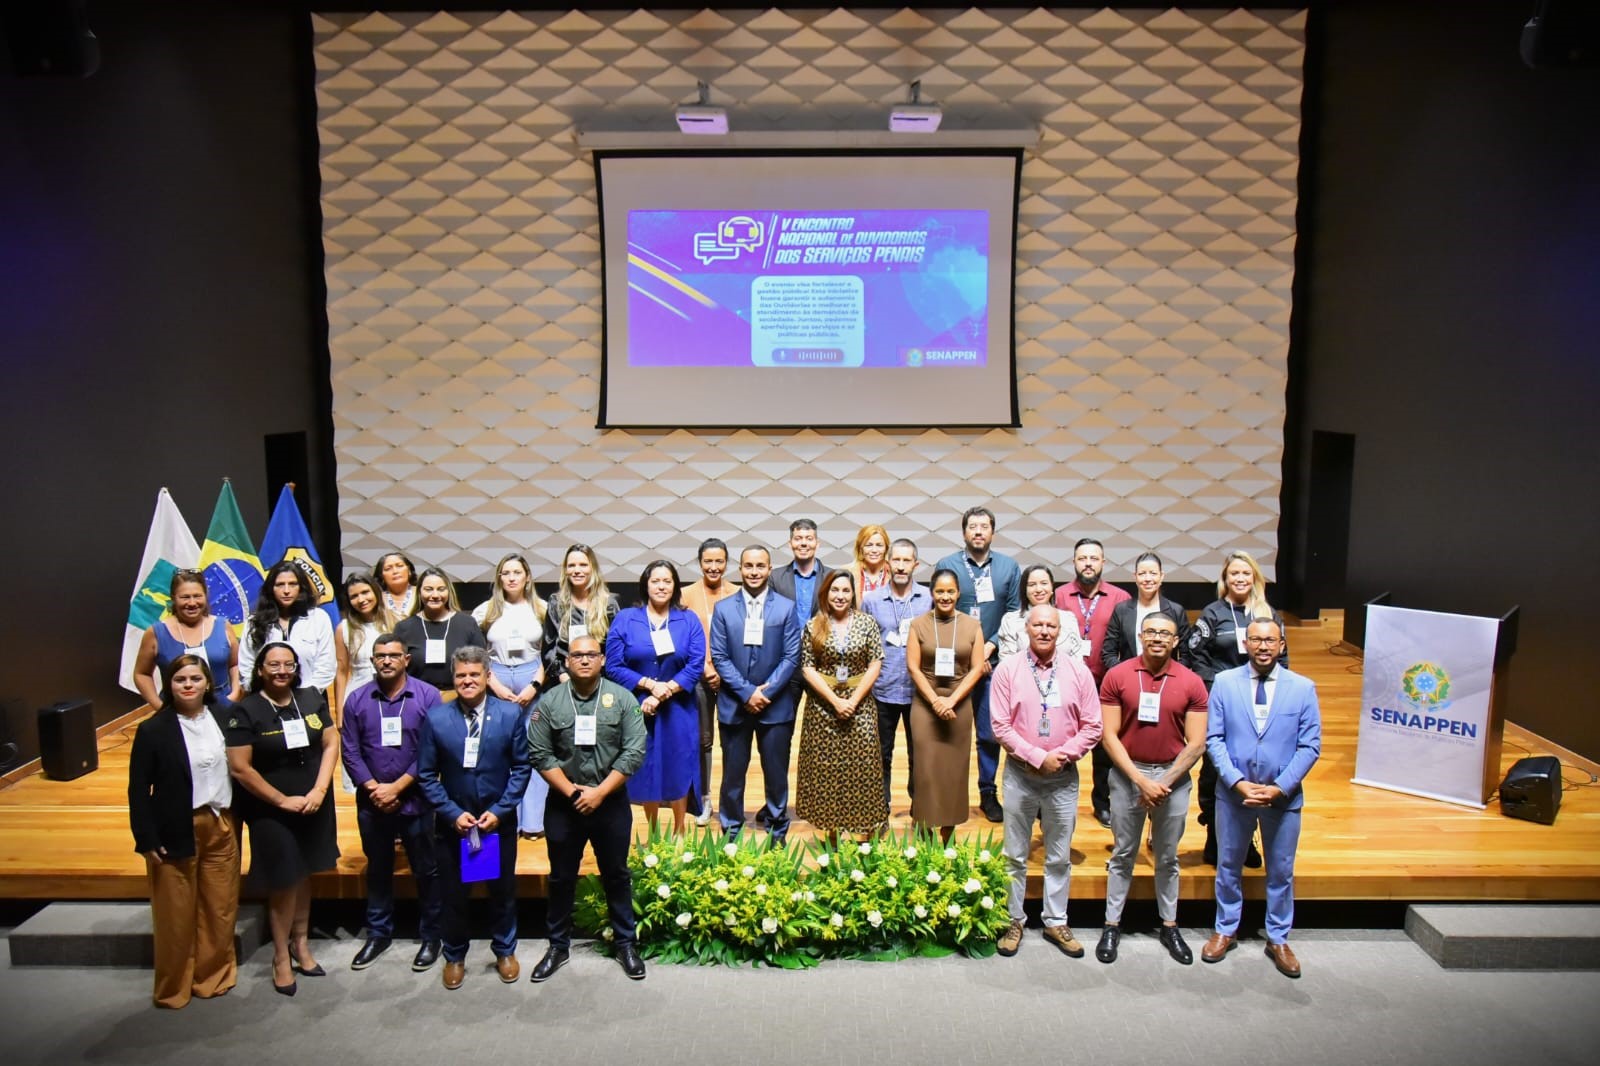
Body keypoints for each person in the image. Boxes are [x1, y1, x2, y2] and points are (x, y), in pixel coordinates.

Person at [1201, 618, 1321, 979]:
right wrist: (1237, 782)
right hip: (1234, 794)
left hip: (1281, 798)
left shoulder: (1303, 688)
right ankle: (1225, 929)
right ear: (1246, 644)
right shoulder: (1224, 683)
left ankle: (1278, 937)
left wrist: (1280, 786)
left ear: (1281, 645)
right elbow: (1214, 739)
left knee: (1281, 872)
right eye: (1257, 640)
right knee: (1228, 865)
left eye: (1271, 641)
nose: (1264, 646)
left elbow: (1310, 745)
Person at [528, 634, 648, 983]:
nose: (583, 660)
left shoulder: (623, 700)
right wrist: (573, 793)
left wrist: (598, 793)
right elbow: (540, 753)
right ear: (566, 662)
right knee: (561, 877)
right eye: (577, 655)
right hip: (564, 804)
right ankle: (557, 946)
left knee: (617, 874)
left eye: (590, 654)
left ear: (602, 660)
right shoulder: (551, 702)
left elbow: (634, 751)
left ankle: (626, 944)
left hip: (609, 802)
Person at [225, 642, 340, 997]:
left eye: (288, 664)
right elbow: (240, 767)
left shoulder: (310, 698)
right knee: (284, 879)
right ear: (260, 668)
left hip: (312, 802)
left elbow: (330, 742)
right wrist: (281, 801)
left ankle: (301, 943)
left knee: (304, 873)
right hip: (270, 809)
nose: (281, 670)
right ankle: (279, 956)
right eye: (273, 665)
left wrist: (319, 791)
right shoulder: (246, 710)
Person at [1095, 613, 1208, 966]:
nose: (1158, 638)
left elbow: (1197, 743)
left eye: (1166, 633)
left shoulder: (1191, 682)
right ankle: (1112, 924)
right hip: (1129, 776)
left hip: (1172, 780)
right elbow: (1108, 736)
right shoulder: (1118, 676)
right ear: (1141, 636)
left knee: (1168, 856)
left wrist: (1164, 782)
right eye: (1152, 632)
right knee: (1123, 853)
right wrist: (1141, 781)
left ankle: (1169, 924)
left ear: (1176, 641)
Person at [990, 605, 1101, 959]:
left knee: (1058, 856)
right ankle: (1013, 919)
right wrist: (1038, 757)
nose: (1044, 631)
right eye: (1037, 624)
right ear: (1026, 628)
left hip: (1063, 778)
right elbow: (1000, 726)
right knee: (1014, 854)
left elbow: (1093, 726)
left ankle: (1055, 920)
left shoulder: (1078, 672)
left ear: (1060, 630)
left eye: (1050, 626)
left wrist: (1061, 756)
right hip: (1020, 776)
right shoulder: (1007, 670)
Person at [127, 655, 238, 1008]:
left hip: (220, 822)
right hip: (175, 828)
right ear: (168, 685)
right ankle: (175, 987)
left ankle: (212, 977)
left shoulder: (224, 718)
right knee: (174, 915)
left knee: (219, 908)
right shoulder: (153, 729)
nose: (188, 685)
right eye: (179, 679)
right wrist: (146, 837)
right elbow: (137, 788)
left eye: (195, 678)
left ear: (208, 682)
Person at [417, 646, 530, 990]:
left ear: (486, 677)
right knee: (454, 894)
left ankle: (505, 950)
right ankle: (454, 955)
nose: (467, 681)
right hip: (455, 826)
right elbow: (425, 775)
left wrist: (500, 811)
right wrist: (452, 814)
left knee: (501, 891)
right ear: (453, 679)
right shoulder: (437, 718)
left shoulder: (510, 715)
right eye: (461, 675)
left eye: (474, 675)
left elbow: (522, 767)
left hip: (496, 824)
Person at [339, 633, 443, 973]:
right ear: (372, 660)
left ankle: (431, 936)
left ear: (406, 659)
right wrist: (373, 788)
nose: (386, 660)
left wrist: (397, 787)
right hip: (372, 803)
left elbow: (433, 749)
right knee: (379, 870)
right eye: (380, 655)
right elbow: (350, 750)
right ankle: (379, 934)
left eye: (393, 655)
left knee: (426, 870)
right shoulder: (356, 699)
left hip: (416, 799)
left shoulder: (427, 696)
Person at [1184, 550, 1286, 866]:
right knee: (1216, 767)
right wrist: (1217, 687)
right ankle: (1214, 836)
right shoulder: (1213, 614)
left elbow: (1283, 660)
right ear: (1225, 580)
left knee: (1255, 766)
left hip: (1259, 705)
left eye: (1245, 574)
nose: (1240, 579)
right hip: (1222, 702)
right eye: (1234, 574)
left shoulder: (1269, 614)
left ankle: (1248, 840)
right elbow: (1192, 656)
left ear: (1254, 577)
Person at [709, 545, 803, 844]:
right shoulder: (724, 609)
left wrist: (767, 691)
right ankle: (731, 831)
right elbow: (720, 657)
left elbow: (791, 656)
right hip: (734, 706)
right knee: (732, 777)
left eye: (760, 566)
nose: (753, 572)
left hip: (775, 707)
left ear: (769, 568)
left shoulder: (786, 608)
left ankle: (777, 830)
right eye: (748, 566)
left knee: (776, 775)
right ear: (740, 568)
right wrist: (748, 692)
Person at [604, 560, 704, 834]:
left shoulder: (688, 619)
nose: (661, 586)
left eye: (667, 581)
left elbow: (695, 664)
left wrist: (664, 691)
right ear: (645, 585)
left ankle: (680, 829)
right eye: (655, 581)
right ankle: (653, 830)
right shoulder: (626, 618)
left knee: (679, 762)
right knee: (646, 764)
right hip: (637, 705)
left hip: (679, 706)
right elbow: (613, 665)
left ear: (675, 586)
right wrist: (648, 684)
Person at [935, 507, 1019, 822]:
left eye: (984, 526)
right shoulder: (948, 565)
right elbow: (941, 612)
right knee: (951, 731)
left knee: (987, 733)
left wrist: (989, 646)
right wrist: (970, 653)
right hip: (956, 664)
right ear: (964, 532)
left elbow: (1013, 613)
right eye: (973, 527)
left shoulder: (1009, 568)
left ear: (992, 532)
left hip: (992, 664)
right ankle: (948, 791)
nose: (979, 531)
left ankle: (987, 792)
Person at [795, 569, 886, 843]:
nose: (840, 595)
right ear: (825, 593)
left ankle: (864, 832)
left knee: (863, 767)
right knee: (825, 770)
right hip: (823, 709)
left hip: (861, 708)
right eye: (835, 590)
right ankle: (830, 830)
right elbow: (807, 667)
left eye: (846, 591)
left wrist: (853, 700)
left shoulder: (867, 623)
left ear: (853, 594)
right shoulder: (814, 625)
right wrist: (835, 701)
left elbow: (876, 662)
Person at [1052, 537, 1131, 828]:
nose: (1088, 563)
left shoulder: (1120, 598)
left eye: (1093, 558)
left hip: (1105, 683)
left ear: (1103, 563)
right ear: (1073, 562)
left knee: (1104, 746)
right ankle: (1057, 801)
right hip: (1066, 683)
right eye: (1082, 558)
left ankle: (1102, 802)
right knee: (1063, 741)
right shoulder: (1059, 596)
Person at [471, 553, 548, 839]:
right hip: (498, 677)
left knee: (535, 749)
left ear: (527, 576)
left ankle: (533, 822)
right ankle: (507, 819)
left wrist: (535, 686)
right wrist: (494, 685)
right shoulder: (485, 611)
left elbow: (549, 652)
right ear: (499, 578)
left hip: (532, 677)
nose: (512, 577)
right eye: (506, 572)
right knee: (502, 751)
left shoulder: (543, 608)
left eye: (517, 572)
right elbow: (477, 655)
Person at [905, 568, 985, 843]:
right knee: (925, 770)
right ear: (932, 593)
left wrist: (951, 700)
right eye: (940, 591)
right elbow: (913, 668)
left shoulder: (972, 625)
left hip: (959, 705)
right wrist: (936, 701)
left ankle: (948, 830)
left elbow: (976, 669)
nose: (945, 596)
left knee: (954, 770)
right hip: (925, 705)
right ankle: (925, 828)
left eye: (950, 591)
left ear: (958, 593)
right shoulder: (918, 624)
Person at [861, 538, 930, 811]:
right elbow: (865, 642)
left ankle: (920, 804)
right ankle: (880, 803)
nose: (901, 566)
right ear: (888, 564)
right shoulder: (871, 601)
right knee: (881, 754)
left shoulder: (928, 598)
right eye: (896, 560)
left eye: (906, 560)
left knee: (919, 754)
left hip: (917, 691)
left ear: (916, 564)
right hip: (882, 688)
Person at [679, 537, 738, 826]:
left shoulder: (737, 593)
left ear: (727, 563)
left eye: (719, 561)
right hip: (698, 677)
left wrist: (724, 673)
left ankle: (732, 798)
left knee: (733, 740)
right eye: (708, 561)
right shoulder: (686, 595)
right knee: (703, 740)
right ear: (699, 562)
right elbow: (682, 638)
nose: (713, 567)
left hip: (730, 679)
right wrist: (704, 668)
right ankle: (703, 798)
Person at [133, 568, 241, 708]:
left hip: (222, 707)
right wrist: (160, 707)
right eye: (185, 597)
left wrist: (234, 694)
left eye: (197, 596)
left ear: (206, 596)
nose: (191, 603)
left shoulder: (223, 626)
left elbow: (235, 664)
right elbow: (142, 674)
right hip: (175, 710)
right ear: (173, 598)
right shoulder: (155, 633)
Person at [238, 561, 337, 694]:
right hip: (266, 702)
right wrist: (264, 697)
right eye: (280, 584)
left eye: (292, 584)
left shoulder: (318, 618)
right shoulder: (254, 622)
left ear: (301, 587)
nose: (286, 591)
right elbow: (246, 667)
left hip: (309, 700)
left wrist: (306, 698)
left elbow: (326, 666)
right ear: (271, 589)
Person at [394, 566, 487, 696]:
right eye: (428, 589)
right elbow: (397, 671)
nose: (435, 595)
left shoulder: (467, 624)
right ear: (419, 592)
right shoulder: (403, 628)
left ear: (449, 592)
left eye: (441, 589)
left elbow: (481, 664)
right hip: (417, 697)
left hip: (459, 697)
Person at [541, 543, 618, 686]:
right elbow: (549, 650)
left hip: (602, 682)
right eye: (571, 566)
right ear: (565, 570)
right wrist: (564, 678)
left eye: (583, 565)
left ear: (593, 568)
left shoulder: (609, 604)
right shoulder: (556, 603)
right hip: (564, 681)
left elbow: (615, 651)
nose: (577, 570)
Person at [1100, 551, 1188, 672]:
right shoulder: (1121, 610)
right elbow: (1108, 653)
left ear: (1161, 576)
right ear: (1135, 577)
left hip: (1167, 680)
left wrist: (1172, 675)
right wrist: (1125, 675)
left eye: (1153, 573)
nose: (1147, 579)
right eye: (1142, 574)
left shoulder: (1176, 611)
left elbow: (1186, 654)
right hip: (1129, 680)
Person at [332, 572, 395, 722]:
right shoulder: (344, 628)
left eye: (365, 592)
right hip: (357, 696)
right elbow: (341, 672)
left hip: (391, 695)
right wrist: (339, 713)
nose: (361, 600)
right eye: (354, 596)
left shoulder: (396, 622)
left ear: (375, 591)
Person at [995, 564, 1085, 662]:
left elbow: (1078, 661)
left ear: (1052, 587)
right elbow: (1007, 663)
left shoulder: (1068, 619)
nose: (1038, 589)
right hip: (1022, 676)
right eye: (1032, 585)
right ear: (1025, 589)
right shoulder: (1010, 621)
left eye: (1044, 583)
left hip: (1065, 676)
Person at [768, 518, 834, 621]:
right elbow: (770, 615)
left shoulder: (832, 577)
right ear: (790, 544)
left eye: (809, 538)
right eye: (798, 538)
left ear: (817, 544)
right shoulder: (775, 578)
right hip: (786, 637)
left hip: (822, 636)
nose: (803, 543)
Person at [848, 523, 892, 602]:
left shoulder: (895, 573)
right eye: (868, 545)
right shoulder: (847, 572)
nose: (874, 550)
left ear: (886, 548)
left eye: (879, 545)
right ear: (860, 548)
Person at [374, 551, 418, 619]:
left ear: (409, 570)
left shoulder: (421, 593)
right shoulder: (377, 598)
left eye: (400, 566)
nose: (395, 571)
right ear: (381, 575)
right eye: (388, 569)